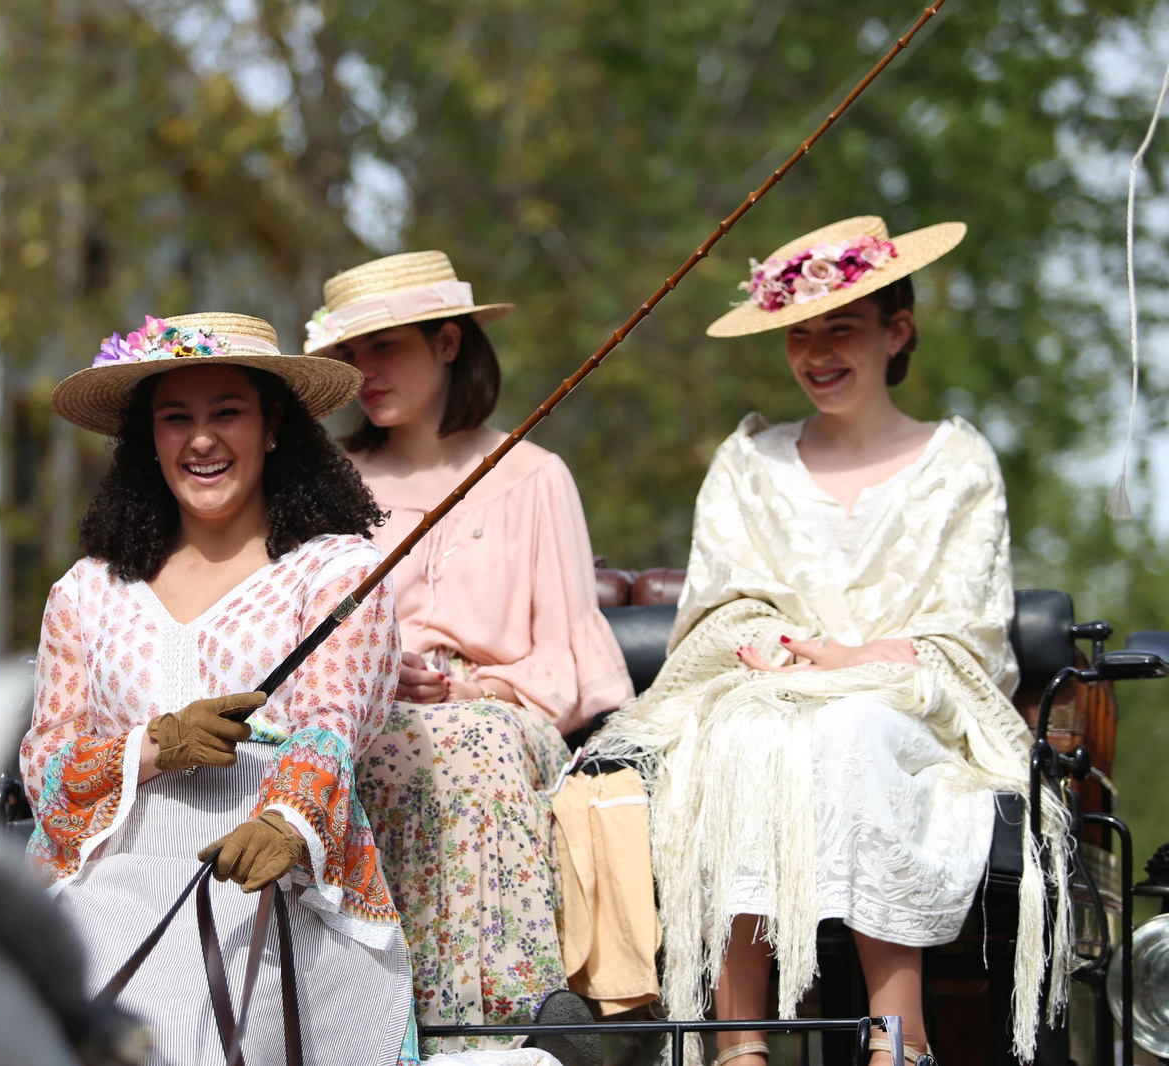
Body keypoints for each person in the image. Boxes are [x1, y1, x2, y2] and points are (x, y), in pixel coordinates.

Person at [588, 217, 1070, 1065]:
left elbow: (970, 630)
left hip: (902, 705)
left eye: (840, 326)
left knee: (854, 727)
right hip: (768, 694)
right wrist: (769, 645)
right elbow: (718, 603)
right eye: (797, 333)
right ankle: (739, 1043)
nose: (816, 353)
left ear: (898, 330)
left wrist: (857, 663)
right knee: (745, 733)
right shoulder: (749, 464)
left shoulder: (957, 463)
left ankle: (899, 1037)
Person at [21, 312, 418, 1066]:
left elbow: (333, 724)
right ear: (151, 441)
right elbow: (46, 764)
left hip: (275, 876)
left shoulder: (335, 573)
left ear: (272, 427)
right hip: (104, 876)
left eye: (226, 412)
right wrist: (152, 747)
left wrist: (286, 822)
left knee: (185, 1029)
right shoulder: (84, 593)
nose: (201, 439)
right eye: (176, 419)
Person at [305, 251, 636, 1049]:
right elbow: (305, 638)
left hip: (502, 718)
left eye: (384, 347)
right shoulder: (326, 485)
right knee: (363, 756)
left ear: (448, 343)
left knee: (472, 743)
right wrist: (376, 675)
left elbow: (567, 663)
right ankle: (382, 1030)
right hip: (367, 712)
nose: (365, 372)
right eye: (349, 356)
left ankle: (508, 1025)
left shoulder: (533, 475)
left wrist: (472, 690)